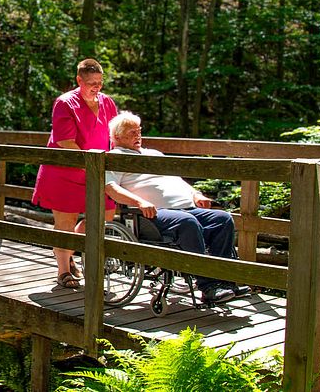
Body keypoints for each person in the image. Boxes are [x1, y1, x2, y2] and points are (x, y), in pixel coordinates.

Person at [104, 112, 251, 304]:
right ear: (117, 137)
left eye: (139, 131)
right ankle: (208, 286)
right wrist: (139, 201)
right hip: (153, 213)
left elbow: (177, 180)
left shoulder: (154, 154)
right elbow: (111, 188)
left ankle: (226, 281)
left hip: (186, 207)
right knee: (187, 223)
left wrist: (196, 194)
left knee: (222, 219)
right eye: (132, 132)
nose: (138, 135)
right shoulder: (115, 157)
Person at [31, 59, 118, 288]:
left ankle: (69, 249)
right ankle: (63, 271)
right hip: (65, 171)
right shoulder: (65, 103)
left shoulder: (108, 103)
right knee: (65, 221)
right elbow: (65, 141)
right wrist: (91, 164)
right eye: (91, 83)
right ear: (79, 80)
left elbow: (114, 135)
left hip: (97, 171)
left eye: (99, 82)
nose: (96, 87)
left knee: (105, 214)